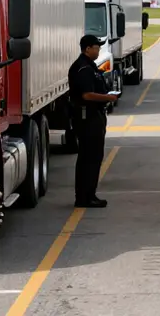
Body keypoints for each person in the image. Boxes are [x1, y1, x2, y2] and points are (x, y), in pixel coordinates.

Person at [67, 34, 120, 207]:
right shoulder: (83, 68)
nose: (98, 50)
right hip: (87, 118)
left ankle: (90, 194)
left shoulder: (90, 66)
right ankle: (84, 197)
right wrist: (108, 98)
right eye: (96, 47)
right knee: (89, 158)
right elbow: (87, 95)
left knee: (94, 157)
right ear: (87, 48)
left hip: (93, 116)